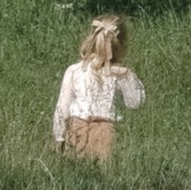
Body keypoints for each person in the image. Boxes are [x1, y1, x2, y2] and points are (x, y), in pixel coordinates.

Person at [52, 11, 147, 160]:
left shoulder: (75, 70)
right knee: (106, 177)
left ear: (91, 38)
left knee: (78, 175)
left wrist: (60, 138)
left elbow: (62, 109)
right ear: (121, 44)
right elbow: (135, 103)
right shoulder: (122, 74)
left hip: (77, 131)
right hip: (107, 133)